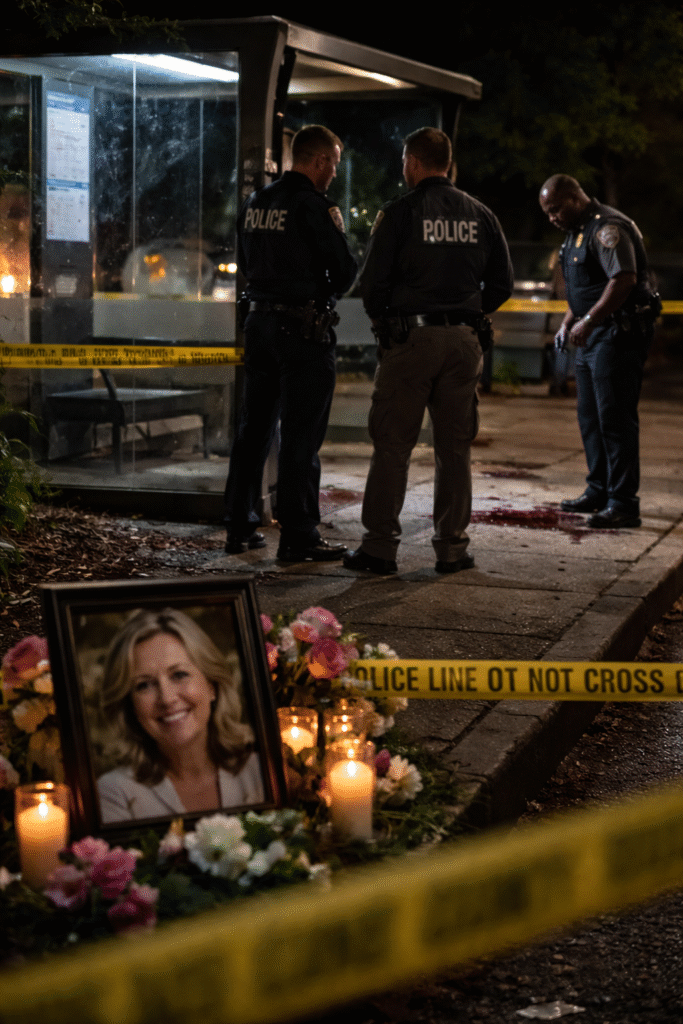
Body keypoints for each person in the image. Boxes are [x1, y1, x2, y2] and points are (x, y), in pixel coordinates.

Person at [343, 127, 514, 575]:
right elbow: (502, 285)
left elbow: (372, 285)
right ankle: (452, 549)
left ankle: (380, 548)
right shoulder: (482, 215)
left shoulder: (400, 213)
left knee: (392, 446)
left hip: (411, 339)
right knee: (455, 449)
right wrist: (468, 311)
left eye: (405, 162)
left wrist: (388, 325)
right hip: (464, 342)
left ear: (414, 163)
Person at [223, 124, 357, 562]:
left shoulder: (255, 202)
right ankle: (299, 534)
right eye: (333, 164)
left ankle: (239, 526)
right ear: (319, 161)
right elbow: (344, 270)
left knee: (254, 430)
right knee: (302, 435)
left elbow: (245, 264)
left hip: (259, 326)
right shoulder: (312, 206)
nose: (334, 174)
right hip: (302, 332)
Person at [539, 175, 660, 528]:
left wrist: (589, 320)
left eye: (556, 209)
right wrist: (567, 323)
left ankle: (623, 503)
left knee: (615, 420)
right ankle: (599, 489)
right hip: (592, 335)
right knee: (590, 417)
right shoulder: (576, 232)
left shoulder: (607, 228)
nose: (552, 218)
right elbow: (583, 289)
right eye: (547, 213)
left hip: (617, 333)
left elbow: (623, 279)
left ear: (575, 198)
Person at [96, 608, 264, 823]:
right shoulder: (114, 793)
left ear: (212, 685)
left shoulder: (260, 772)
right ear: (130, 705)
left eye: (179, 674)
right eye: (144, 685)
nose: (166, 699)